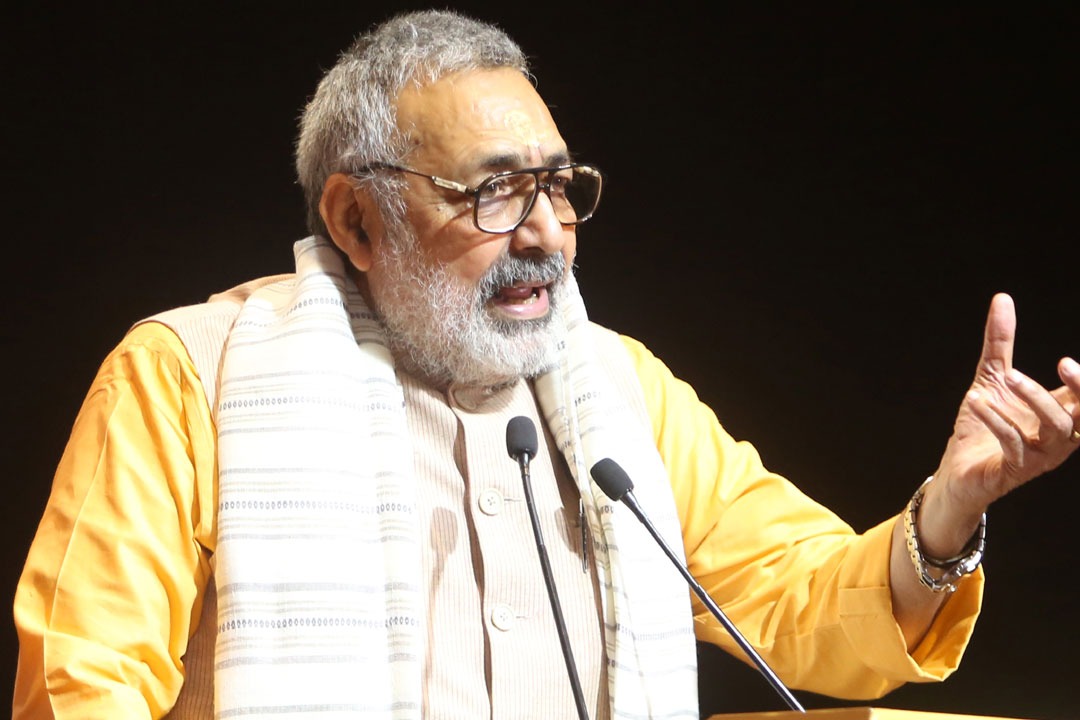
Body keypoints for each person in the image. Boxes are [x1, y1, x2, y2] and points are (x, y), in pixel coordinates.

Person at [12, 9, 1080, 720]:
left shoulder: (620, 392)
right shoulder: (187, 379)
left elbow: (801, 605)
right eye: (494, 193)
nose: (546, 235)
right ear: (356, 219)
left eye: (560, 188)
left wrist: (947, 513)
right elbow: (80, 686)